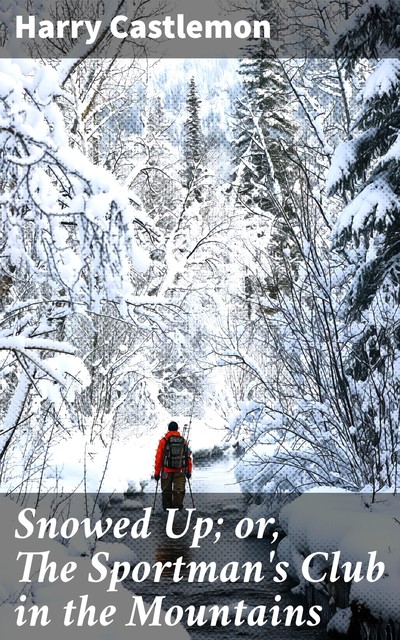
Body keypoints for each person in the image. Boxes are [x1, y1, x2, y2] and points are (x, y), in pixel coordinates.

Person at [154, 421, 192, 511]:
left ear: (168, 429)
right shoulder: (183, 441)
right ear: (177, 429)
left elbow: (159, 458)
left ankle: (167, 509)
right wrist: (189, 471)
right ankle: (177, 508)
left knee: (166, 490)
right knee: (179, 490)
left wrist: (157, 473)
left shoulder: (164, 441)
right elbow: (188, 457)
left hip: (166, 471)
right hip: (180, 470)